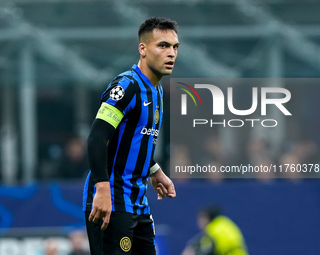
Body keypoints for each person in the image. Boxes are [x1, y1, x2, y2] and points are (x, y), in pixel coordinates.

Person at [82, 17, 179, 255]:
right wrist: (102, 190)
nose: (171, 53)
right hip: (112, 201)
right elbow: (97, 137)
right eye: (163, 46)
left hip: (138, 202)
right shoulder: (126, 87)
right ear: (143, 49)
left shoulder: (156, 90)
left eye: (175, 47)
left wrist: (155, 171)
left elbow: (131, 139)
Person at [182, 206, 248, 255]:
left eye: (201, 218)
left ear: (207, 218)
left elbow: (205, 249)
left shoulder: (212, 229)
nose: (199, 222)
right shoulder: (226, 223)